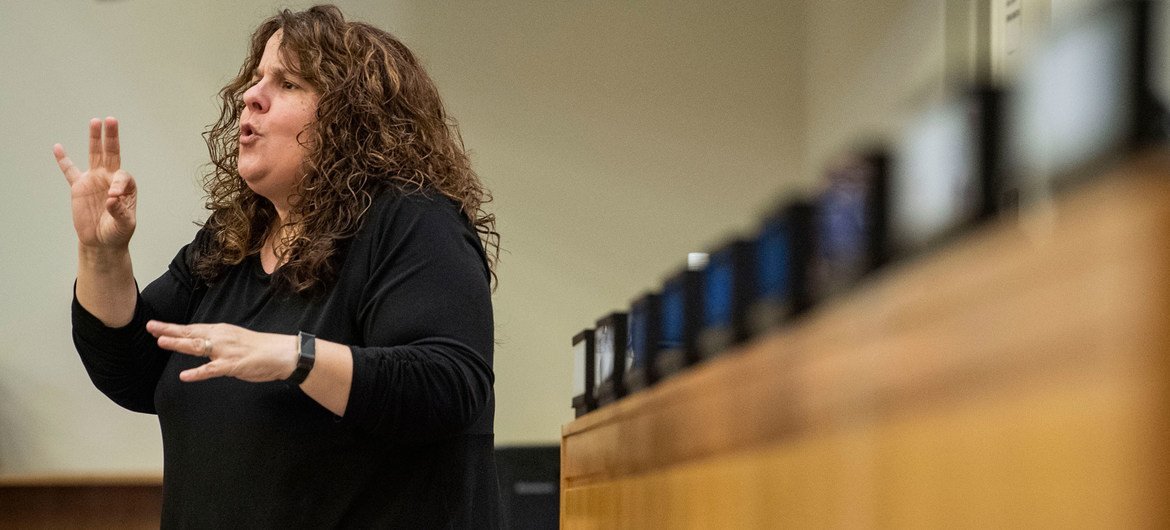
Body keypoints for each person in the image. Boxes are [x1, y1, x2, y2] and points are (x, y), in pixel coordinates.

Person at [53, 5, 500, 528]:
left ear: (351, 117)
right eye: (255, 78)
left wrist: (297, 356)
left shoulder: (413, 220)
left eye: (287, 82)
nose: (250, 95)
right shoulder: (231, 241)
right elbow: (131, 372)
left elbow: (449, 385)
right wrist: (103, 255)